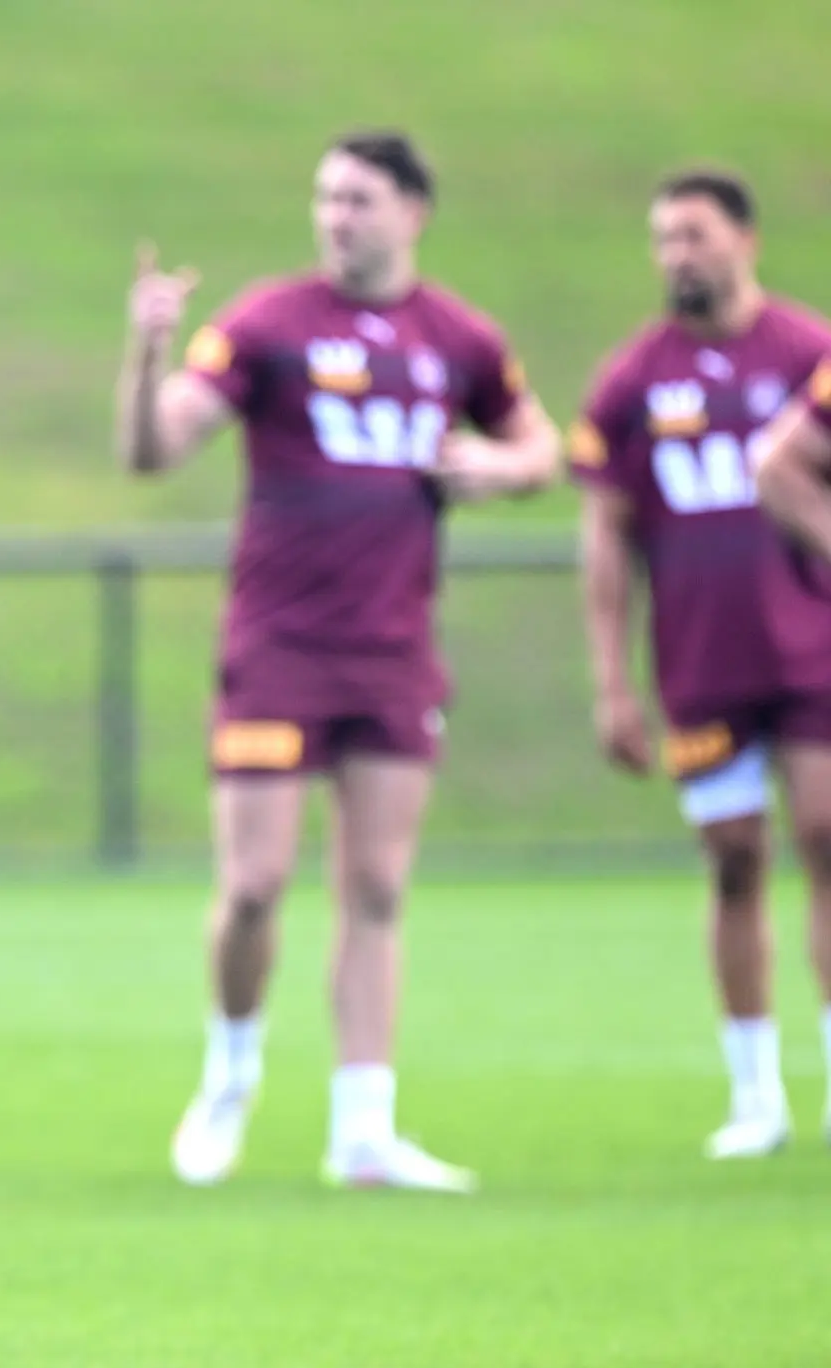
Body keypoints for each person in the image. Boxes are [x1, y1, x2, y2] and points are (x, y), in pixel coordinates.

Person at [117, 131, 560, 1192]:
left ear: (412, 210)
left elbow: (545, 448)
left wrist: (494, 467)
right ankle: (230, 1069)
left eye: (357, 199)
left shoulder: (457, 336)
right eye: (324, 197)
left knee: (375, 886)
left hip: (395, 649)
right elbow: (154, 448)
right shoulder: (270, 322)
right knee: (257, 884)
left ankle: (365, 1126)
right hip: (278, 647)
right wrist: (146, 352)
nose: (335, 216)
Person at [573, 171, 831, 1160]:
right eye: (661, 237)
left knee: (823, 831)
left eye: (693, 234)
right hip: (701, 654)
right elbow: (603, 534)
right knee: (732, 860)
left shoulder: (806, 352)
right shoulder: (634, 377)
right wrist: (610, 680)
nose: (677, 253)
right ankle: (753, 1089)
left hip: (810, 642)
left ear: (744, 239)